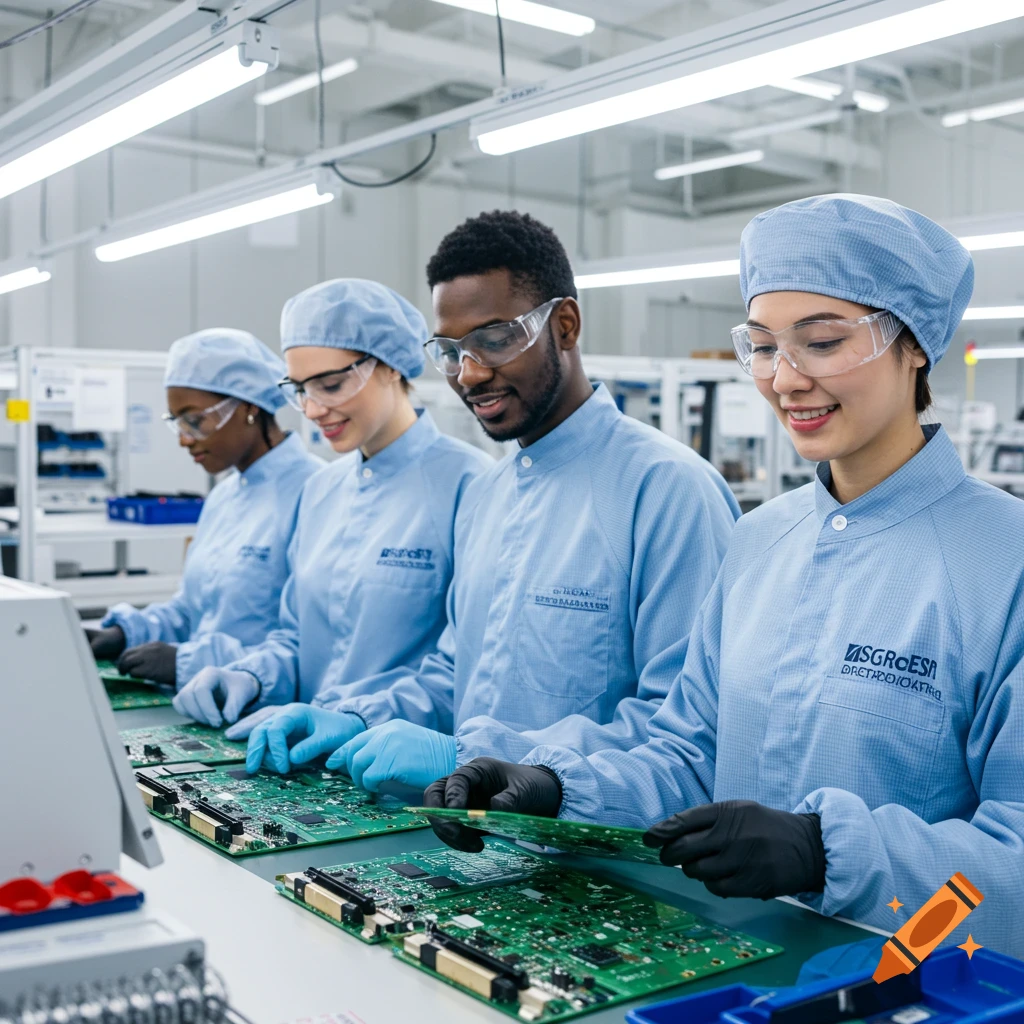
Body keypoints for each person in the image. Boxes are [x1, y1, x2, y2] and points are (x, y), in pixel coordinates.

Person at [423, 195, 1024, 958]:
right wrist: (553, 786)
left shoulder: (1005, 563)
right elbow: (687, 753)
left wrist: (829, 851)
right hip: (727, 967)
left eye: (824, 340)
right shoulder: (761, 542)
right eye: (765, 346)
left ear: (916, 346)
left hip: (913, 985)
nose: (785, 379)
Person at [246, 210, 739, 790]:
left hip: (601, 859)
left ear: (565, 326)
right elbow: (456, 676)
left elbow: (682, 735)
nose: (470, 373)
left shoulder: (667, 491)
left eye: (495, 340)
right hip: (473, 840)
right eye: (450, 350)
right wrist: (357, 716)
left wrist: (484, 760)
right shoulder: (487, 495)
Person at [172, 278, 492, 729]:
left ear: (392, 367)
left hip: (403, 776)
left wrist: (354, 718)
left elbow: (464, 670)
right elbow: (296, 638)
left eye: (331, 384)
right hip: (305, 764)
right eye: (300, 389)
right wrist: (251, 675)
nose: (313, 409)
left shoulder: (471, 485)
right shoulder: (320, 491)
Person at [86, 329, 322, 686]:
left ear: (248, 407)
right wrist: (127, 632)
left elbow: (312, 642)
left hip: (272, 709)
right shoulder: (223, 497)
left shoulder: (318, 493)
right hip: (203, 700)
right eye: (177, 423)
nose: (184, 438)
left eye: (194, 420)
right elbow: (192, 609)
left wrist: (189, 661)